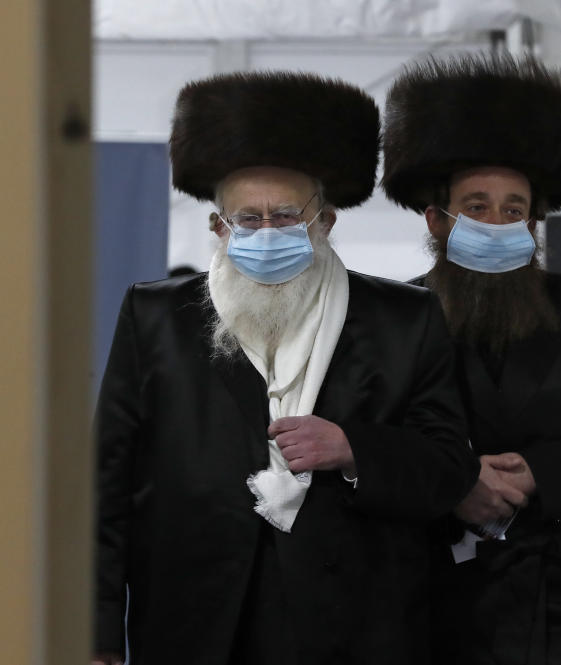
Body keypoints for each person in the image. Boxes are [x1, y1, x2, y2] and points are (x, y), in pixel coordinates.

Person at [93, 71, 479, 665]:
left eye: (286, 217)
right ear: (219, 227)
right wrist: (94, 638)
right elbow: (108, 483)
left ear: (324, 221)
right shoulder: (157, 316)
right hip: (195, 619)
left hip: (357, 621)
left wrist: (356, 449)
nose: (266, 233)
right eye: (248, 219)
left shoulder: (404, 318)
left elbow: (450, 468)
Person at [380, 54, 561, 665]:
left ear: (535, 223)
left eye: (513, 209)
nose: (496, 222)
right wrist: (455, 485)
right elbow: (373, 455)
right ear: (438, 220)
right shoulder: (394, 318)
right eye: (477, 206)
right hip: (442, 604)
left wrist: (540, 472)